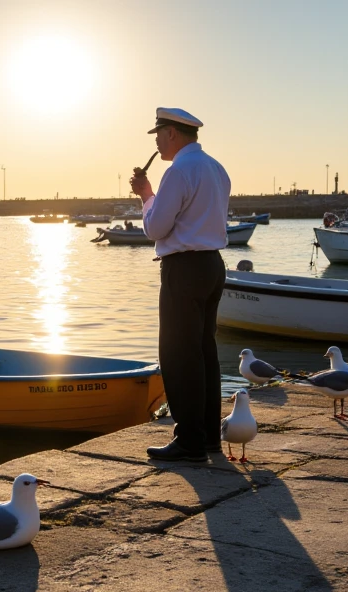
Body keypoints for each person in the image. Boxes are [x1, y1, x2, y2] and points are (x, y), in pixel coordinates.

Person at [129, 107, 230, 462]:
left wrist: (146, 195)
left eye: (158, 133)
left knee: (178, 354)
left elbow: (156, 228)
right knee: (204, 351)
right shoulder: (217, 168)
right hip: (212, 265)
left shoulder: (177, 172)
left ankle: (189, 441)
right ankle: (208, 437)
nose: (156, 140)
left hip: (183, 269)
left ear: (171, 133)